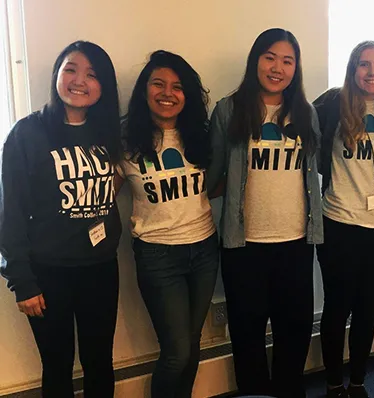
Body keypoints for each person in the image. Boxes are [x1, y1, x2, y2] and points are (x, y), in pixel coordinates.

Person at [0, 40, 122, 398]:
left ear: (104, 86)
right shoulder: (27, 134)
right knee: (57, 366)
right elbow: (11, 211)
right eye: (70, 69)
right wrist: (22, 280)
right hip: (47, 272)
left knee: (100, 361)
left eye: (92, 74)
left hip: (100, 267)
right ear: (57, 74)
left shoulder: (109, 132)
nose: (79, 80)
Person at [206, 28, 323, 398]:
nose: (278, 67)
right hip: (244, 246)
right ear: (256, 60)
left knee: (295, 332)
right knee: (248, 335)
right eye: (270, 57)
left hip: (296, 242)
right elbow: (214, 175)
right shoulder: (228, 110)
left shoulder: (306, 113)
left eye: (288, 60)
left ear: (296, 68)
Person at [117, 50, 217, 398]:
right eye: (158, 84)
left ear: (187, 95)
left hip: (204, 249)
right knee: (177, 353)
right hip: (157, 256)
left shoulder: (200, 136)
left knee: (192, 344)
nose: (167, 93)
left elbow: (216, 183)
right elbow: (103, 192)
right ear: (144, 90)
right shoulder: (125, 140)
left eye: (177, 86)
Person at [313, 41, 374, 398]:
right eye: (364, 64)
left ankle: (358, 382)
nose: (372, 72)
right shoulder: (332, 105)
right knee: (337, 307)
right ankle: (334, 383)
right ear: (352, 70)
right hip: (338, 224)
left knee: (367, 308)